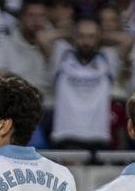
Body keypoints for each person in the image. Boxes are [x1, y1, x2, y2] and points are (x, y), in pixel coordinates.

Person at [50, 17, 116, 150]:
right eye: (81, 36)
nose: (86, 41)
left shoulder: (108, 57)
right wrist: (69, 32)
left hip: (98, 135)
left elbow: (129, 40)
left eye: (91, 36)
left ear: (99, 37)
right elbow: (42, 38)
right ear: (73, 37)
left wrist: (103, 34)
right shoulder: (61, 54)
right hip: (65, 134)